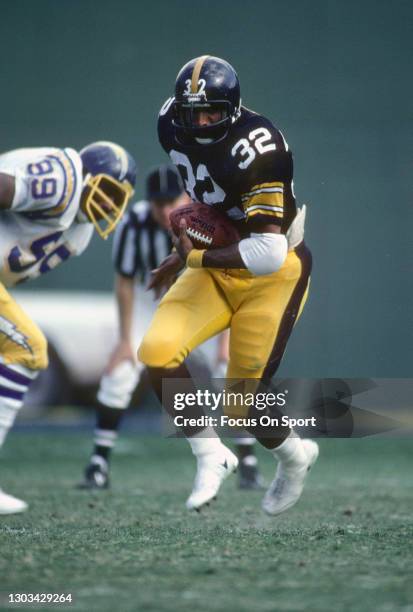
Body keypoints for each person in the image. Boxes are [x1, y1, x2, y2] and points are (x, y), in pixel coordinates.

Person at [138, 55, 318, 514]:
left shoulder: (260, 150)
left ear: (232, 109)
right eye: (191, 113)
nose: (199, 123)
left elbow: (267, 253)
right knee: (156, 352)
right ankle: (209, 453)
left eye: (211, 112)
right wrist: (190, 244)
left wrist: (192, 257)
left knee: (245, 406)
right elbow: (204, 194)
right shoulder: (169, 122)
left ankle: (295, 458)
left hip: (273, 273)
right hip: (215, 266)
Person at [80, 165, 264, 490]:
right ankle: (99, 462)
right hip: (149, 299)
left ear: (184, 196)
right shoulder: (132, 223)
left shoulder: (207, 219)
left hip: (200, 299)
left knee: (228, 369)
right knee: (121, 370)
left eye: (171, 201)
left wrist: (226, 337)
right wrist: (124, 339)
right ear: (148, 202)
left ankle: (247, 460)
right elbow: (124, 281)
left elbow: (226, 281)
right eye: (158, 204)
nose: (165, 211)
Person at [0, 141, 136, 513]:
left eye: (117, 199)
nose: (109, 205)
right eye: (108, 191)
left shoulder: (80, 232)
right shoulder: (62, 179)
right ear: (89, 176)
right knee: (28, 348)